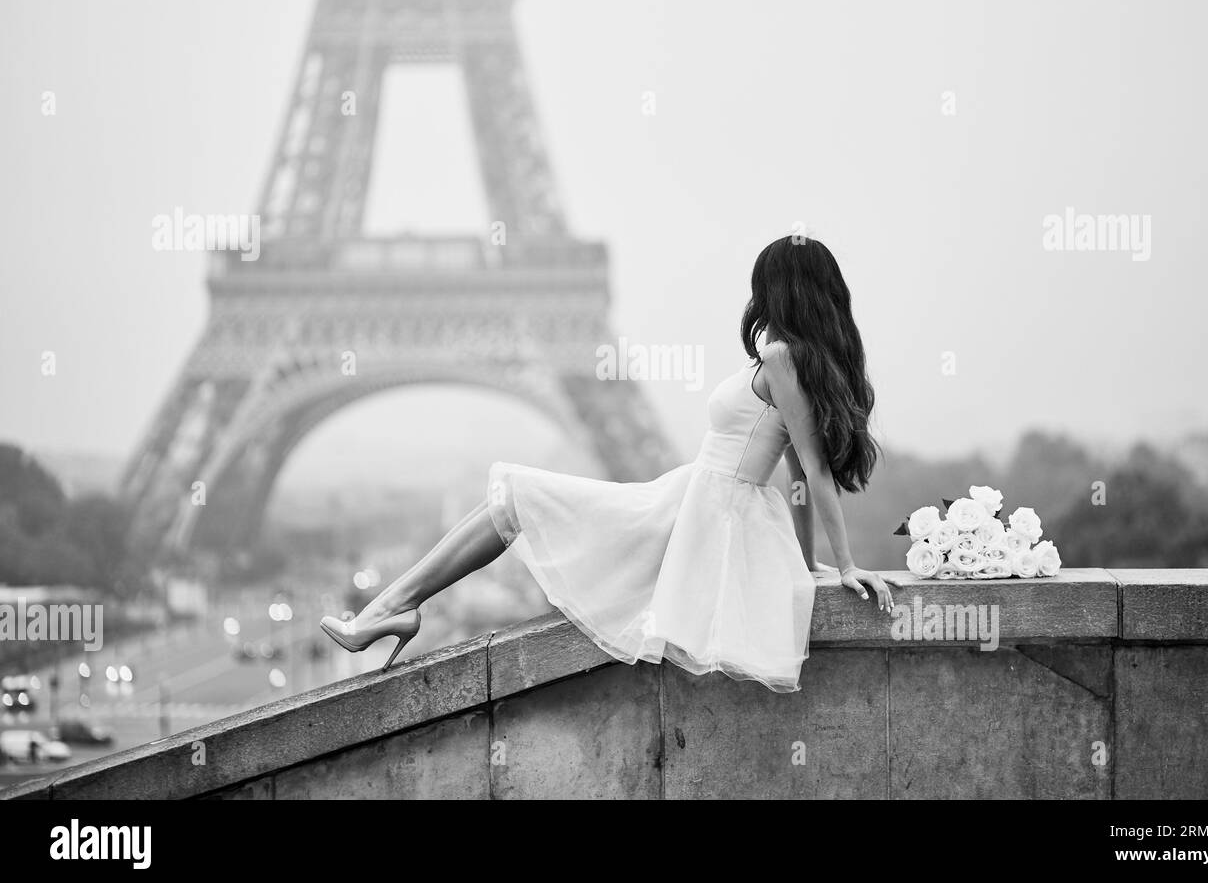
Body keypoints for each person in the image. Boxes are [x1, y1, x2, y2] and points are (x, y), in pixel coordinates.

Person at [321, 236, 893, 692]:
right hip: (696, 503)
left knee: (515, 498)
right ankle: (393, 606)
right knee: (511, 500)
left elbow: (810, 471)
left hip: (702, 511)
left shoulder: (780, 357)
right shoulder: (792, 359)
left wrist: (840, 567)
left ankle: (392, 607)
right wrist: (809, 560)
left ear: (778, 289)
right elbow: (798, 473)